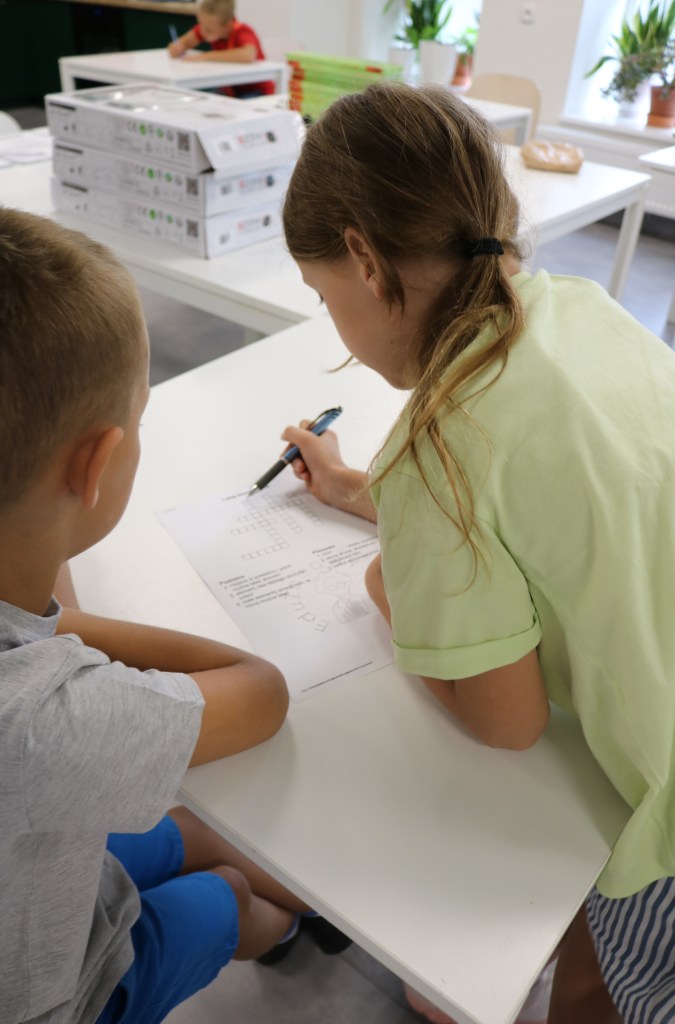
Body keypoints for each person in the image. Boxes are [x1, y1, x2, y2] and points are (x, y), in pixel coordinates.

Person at [277, 82, 675, 1024]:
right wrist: (359, 490)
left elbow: (508, 722)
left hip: (670, 829)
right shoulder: (579, 308)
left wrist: (390, 588)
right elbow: (546, 497)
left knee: (610, 991)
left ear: (365, 263)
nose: (332, 324)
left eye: (322, 297)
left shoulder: (438, 447)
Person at [0, 208, 317, 1024]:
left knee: (191, 831)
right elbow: (261, 691)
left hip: (30, 870)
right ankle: (284, 930)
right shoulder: (49, 721)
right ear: (96, 465)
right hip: (55, 996)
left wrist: (53, 600)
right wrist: (63, 633)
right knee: (226, 893)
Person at [167, 0, 275, 98]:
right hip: (230, 91)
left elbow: (248, 55)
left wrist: (204, 56)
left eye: (208, 29)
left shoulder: (243, 31)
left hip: (257, 91)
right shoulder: (208, 30)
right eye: (200, 24)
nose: (202, 31)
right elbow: (182, 44)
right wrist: (176, 48)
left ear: (227, 26)